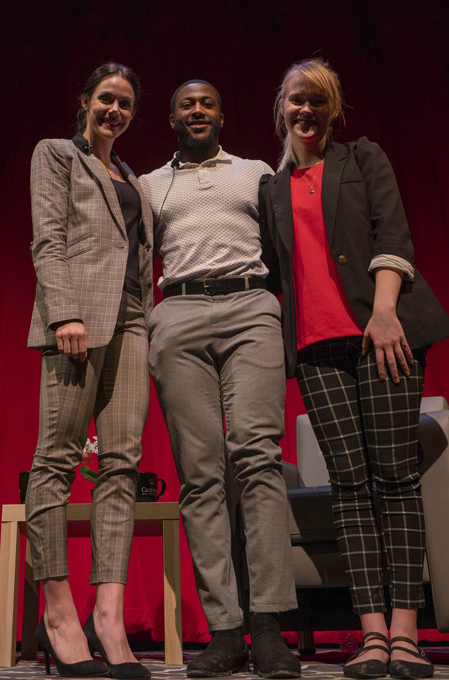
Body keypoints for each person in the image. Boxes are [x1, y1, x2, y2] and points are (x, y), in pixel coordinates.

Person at [258, 59, 449, 680]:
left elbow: (393, 233)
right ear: (281, 109)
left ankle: (405, 633)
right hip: (317, 350)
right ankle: (370, 634)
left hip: (382, 335)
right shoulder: (269, 190)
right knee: (348, 485)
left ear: (334, 109)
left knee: (394, 476)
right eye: (297, 100)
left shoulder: (363, 159)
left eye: (318, 101)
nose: (307, 111)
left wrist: (388, 313)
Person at [139, 80, 300, 679]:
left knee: (257, 458)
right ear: (173, 117)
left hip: (250, 306)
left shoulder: (256, 171)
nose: (198, 110)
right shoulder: (151, 185)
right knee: (201, 475)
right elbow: (133, 262)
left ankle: (269, 626)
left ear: (222, 115)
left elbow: (286, 247)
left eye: (207, 103)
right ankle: (226, 631)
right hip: (177, 314)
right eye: (187, 104)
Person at [25, 62, 154, 680]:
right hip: (77, 320)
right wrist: (64, 314)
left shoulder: (131, 175)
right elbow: (48, 239)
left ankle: (108, 614)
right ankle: (58, 613)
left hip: (132, 322)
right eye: (107, 99)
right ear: (85, 101)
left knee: (121, 464)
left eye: (125, 103)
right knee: (57, 459)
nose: (115, 111)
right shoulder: (56, 154)